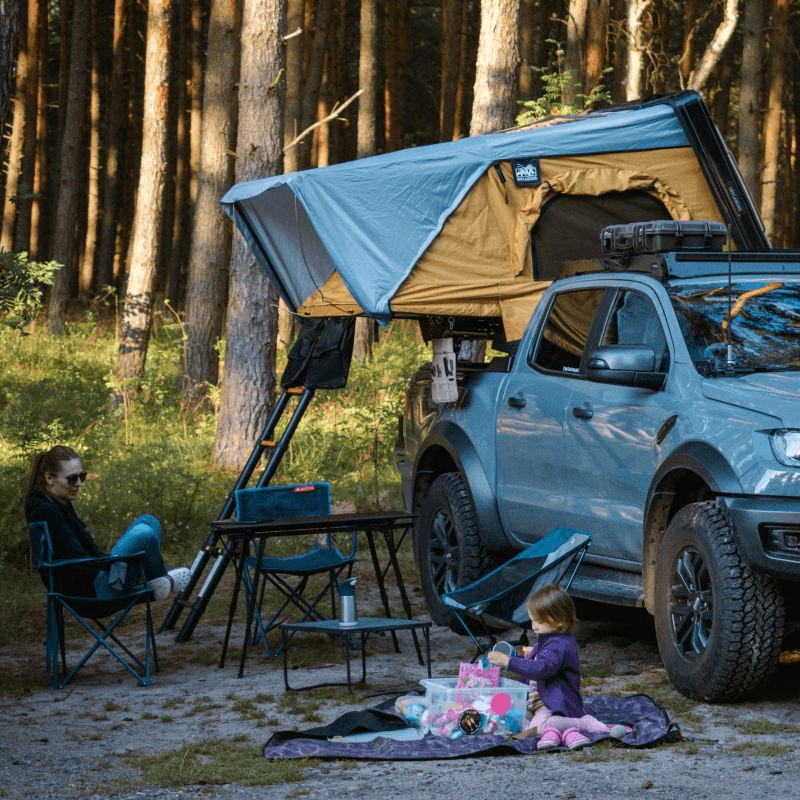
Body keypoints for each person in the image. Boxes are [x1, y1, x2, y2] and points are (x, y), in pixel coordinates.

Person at [25, 445, 190, 602]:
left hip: (98, 577)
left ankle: (149, 581)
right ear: (49, 478)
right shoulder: (46, 512)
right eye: (72, 479)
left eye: (81, 476)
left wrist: (111, 561)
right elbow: (77, 562)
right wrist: (111, 563)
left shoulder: (57, 502)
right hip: (94, 591)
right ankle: (158, 581)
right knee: (143, 534)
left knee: (149, 521)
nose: (79, 484)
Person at [487, 583, 627, 750]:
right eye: (532, 620)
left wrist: (508, 662)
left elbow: (542, 668)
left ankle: (581, 723)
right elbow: (539, 656)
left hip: (554, 704)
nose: (534, 626)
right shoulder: (550, 638)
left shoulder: (559, 645)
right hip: (539, 702)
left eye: (539, 621)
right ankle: (553, 730)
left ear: (559, 620)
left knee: (538, 727)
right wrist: (523, 654)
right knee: (517, 720)